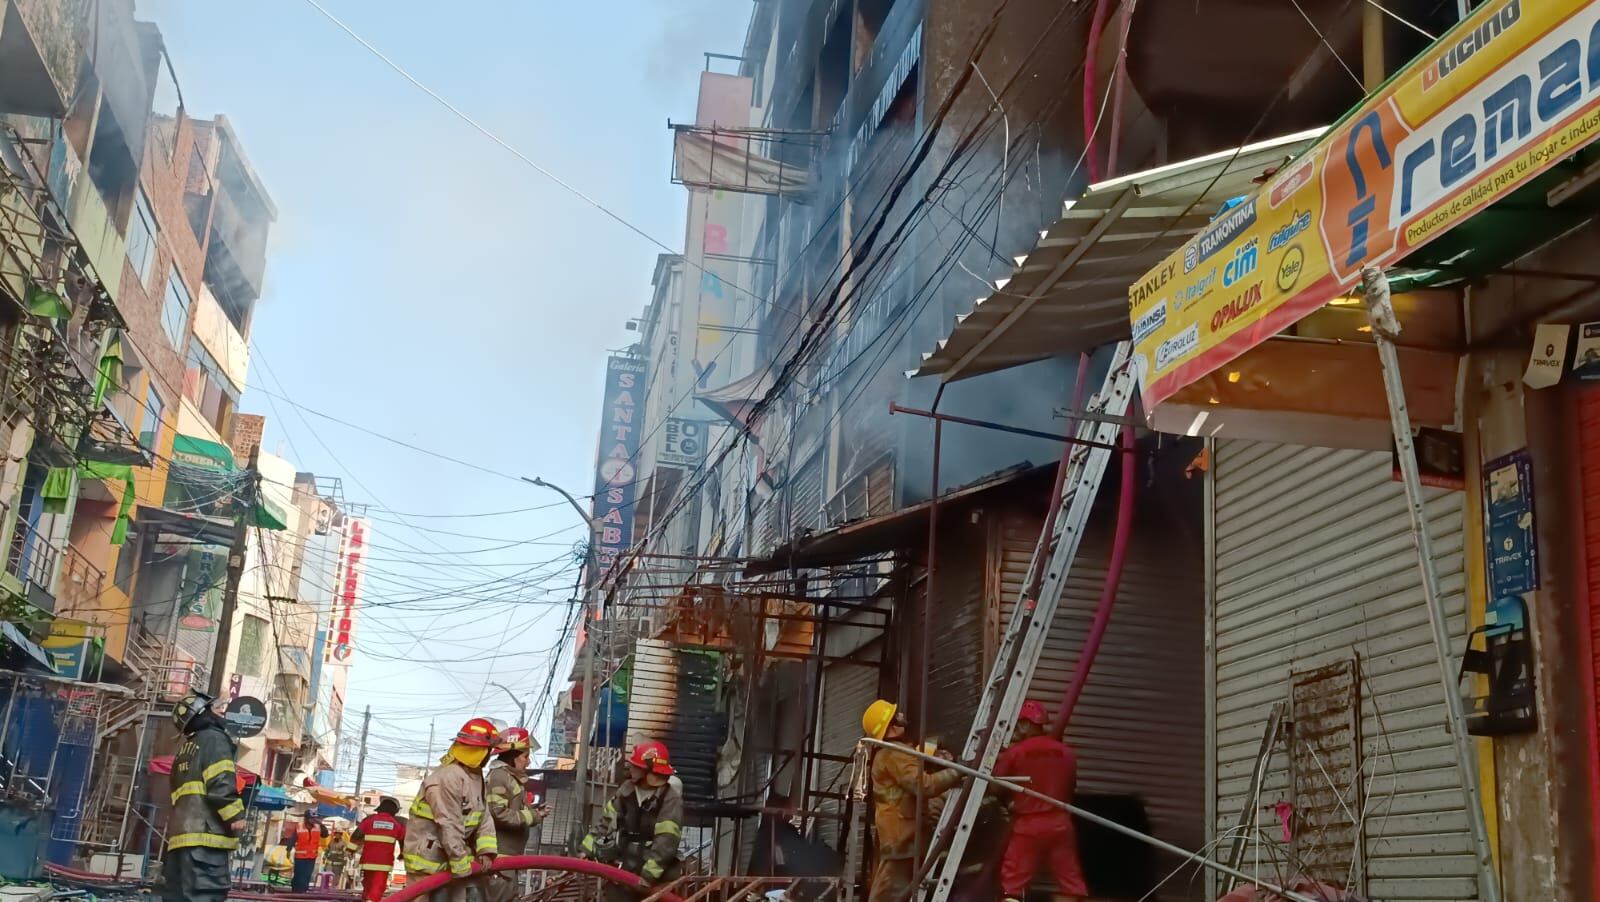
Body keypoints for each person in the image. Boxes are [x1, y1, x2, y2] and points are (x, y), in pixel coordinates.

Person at [862, 699, 962, 902]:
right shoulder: (895, 754)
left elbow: (912, 758)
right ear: (891, 727)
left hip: (899, 835)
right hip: (904, 839)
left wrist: (934, 753)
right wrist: (955, 773)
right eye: (897, 715)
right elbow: (924, 785)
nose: (903, 717)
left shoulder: (892, 753)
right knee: (887, 895)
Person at [992, 701, 1086, 902]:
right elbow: (1071, 787)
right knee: (1070, 883)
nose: (1016, 729)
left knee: (1013, 884)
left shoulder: (1016, 752)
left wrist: (1007, 802)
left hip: (1028, 825)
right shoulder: (1067, 753)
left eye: (1019, 724)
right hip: (1061, 823)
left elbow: (995, 785)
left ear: (1027, 724)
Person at [403, 717, 500, 901]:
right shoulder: (447, 777)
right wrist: (461, 863)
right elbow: (449, 822)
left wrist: (486, 851)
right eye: (489, 751)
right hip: (427, 861)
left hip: (454, 860)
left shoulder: (475, 776)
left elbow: (483, 816)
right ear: (481, 751)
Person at [162, 690, 246, 902]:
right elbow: (220, 782)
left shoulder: (184, 750)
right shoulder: (215, 740)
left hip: (179, 841)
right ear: (203, 714)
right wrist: (235, 815)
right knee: (205, 896)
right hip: (205, 839)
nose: (220, 712)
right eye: (214, 709)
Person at [581, 740, 683, 901]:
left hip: (659, 877)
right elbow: (605, 822)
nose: (631, 768)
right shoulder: (626, 790)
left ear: (650, 772)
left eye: (637, 766)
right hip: (626, 868)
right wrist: (586, 849)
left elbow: (666, 843)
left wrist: (648, 876)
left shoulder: (670, 799)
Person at [485, 727, 549, 902]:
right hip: (500, 858)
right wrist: (533, 816)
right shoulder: (500, 777)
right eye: (525, 757)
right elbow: (497, 813)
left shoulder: (510, 778)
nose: (528, 762)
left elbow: (511, 811)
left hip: (508, 859)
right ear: (513, 757)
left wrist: (536, 813)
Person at [355, 797, 407, 901]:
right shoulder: (396, 824)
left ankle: (366, 899)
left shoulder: (369, 820)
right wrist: (402, 853)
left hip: (367, 861)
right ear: (395, 810)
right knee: (378, 885)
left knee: (367, 883)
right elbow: (403, 839)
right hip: (383, 863)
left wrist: (350, 850)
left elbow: (356, 835)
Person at [292, 814, 326, 892]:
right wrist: (289, 848)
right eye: (311, 818)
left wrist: (321, 824)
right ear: (306, 819)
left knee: (307, 875)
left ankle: (303, 891)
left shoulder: (317, 827)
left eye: (314, 818)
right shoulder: (300, 827)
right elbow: (293, 838)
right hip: (300, 857)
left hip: (311, 857)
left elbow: (325, 834)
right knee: (299, 875)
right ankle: (296, 891)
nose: (313, 820)